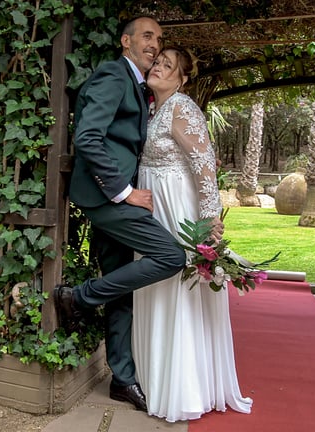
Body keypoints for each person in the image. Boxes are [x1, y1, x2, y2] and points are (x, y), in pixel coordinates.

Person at [54, 17, 207, 411]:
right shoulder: (113, 75)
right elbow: (87, 136)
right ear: (126, 41)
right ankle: (79, 297)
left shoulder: (141, 89)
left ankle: (122, 379)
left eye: (158, 38)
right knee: (171, 256)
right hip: (107, 199)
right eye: (147, 36)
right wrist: (124, 192)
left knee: (121, 286)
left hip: (117, 197)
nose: (155, 44)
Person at [132, 47, 253, 422]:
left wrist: (209, 222)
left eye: (169, 66)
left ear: (182, 79)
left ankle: (184, 387)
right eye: (158, 61)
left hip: (176, 205)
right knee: (154, 284)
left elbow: (203, 166)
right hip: (152, 204)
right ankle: (154, 377)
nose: (159, 67)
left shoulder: (182, 107)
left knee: (176, 285)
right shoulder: (151, 108)